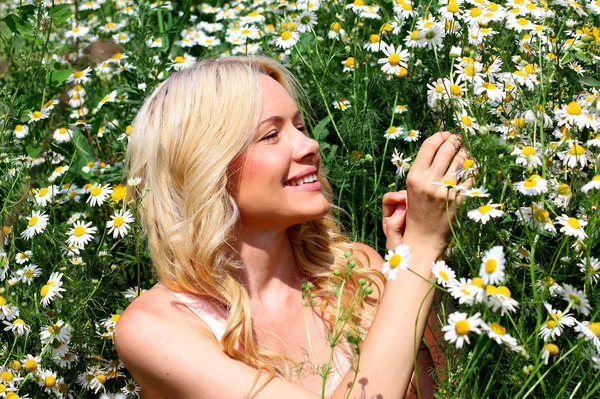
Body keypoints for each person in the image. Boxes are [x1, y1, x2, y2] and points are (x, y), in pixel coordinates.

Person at [114, 55, 471, 399]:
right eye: (271, 135)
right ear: (204, 167)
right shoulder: (156, 327)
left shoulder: (355, 270)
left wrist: (409, 265)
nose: (310, 144)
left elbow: (451, 388)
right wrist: (422, 250)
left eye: (299, 126)